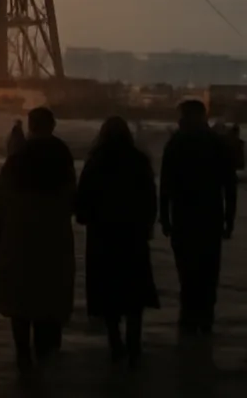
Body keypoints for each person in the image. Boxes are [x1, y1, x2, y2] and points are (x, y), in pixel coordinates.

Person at [0, 107, 75, 370]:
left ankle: (23, 353)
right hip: (54, 236)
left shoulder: (17, 158)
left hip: (18, 236)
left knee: (20, 299)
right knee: (51, 293)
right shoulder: (62, 154)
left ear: (30, 125)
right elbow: (73, 197)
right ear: (53, 124)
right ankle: (47, 351)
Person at [75, 117, 159, 365]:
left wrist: (87, 218)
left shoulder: (96, 162)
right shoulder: (139, 161)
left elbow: (83, 202)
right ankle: (134, 343)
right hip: (133, 236)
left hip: (103, 237)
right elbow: (149, 197)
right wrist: (147, 225)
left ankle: (115, 342)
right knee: (134, 292)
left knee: (108, 292)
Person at [159, 99, 237, 334]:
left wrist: (164, 218)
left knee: (187, 274)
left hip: (184, 218)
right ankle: (205, 320)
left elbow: (165, 186)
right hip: (210, 218)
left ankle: (188, 320)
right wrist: (229, 220)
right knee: (209, 273)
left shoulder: (176, 143)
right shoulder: (216, 143)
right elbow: (229, 186)